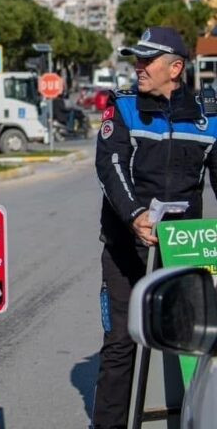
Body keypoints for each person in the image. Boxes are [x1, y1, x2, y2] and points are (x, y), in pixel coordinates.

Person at [92, 26, 217, 429]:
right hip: (128, 248)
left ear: (175, 67)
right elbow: (110, 165)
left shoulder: (207, 118)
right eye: (137, 60)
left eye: (148, 60)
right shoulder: (124, 106)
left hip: (182, 249)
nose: (139, 67)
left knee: (195, 345)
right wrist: (134, 215)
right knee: (120, 345)